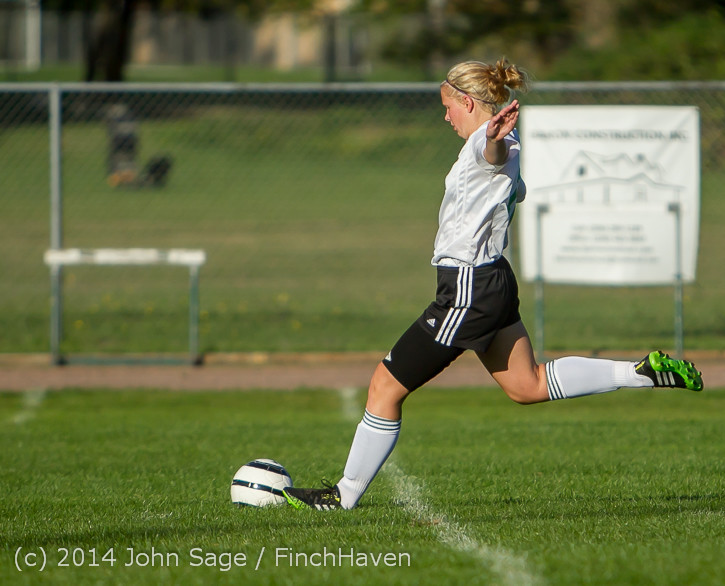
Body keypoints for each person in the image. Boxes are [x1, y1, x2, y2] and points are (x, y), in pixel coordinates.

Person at [283, 58, 703, 511]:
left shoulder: (491, 144)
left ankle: (342, 496)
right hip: (493, 281)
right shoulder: (508, 145)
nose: (445, 116)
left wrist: (492, 138)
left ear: (468, 101)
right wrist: (497, 141)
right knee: (527, 385)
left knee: (385, 386)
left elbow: (491, 154)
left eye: (448, 106)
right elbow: (503, 171)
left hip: (467, 288)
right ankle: (639, 373)